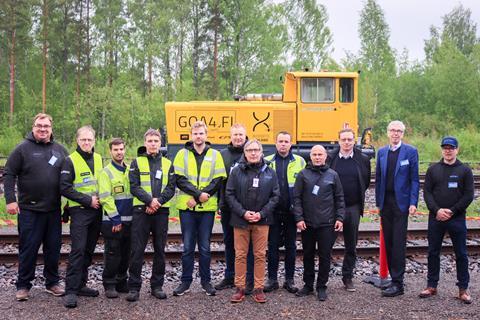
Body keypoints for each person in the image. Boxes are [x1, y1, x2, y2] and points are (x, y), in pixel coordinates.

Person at [4, 113, 68, 301]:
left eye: (46, 126)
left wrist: (70, 205)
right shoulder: (22, 149)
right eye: (39, 125)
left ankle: (52, 283)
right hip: (29, 210)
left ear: (51, 128)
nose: (42, 129)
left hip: (53, 210)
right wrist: (10, 199)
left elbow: (69, 178)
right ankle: (23, 286)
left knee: (53, 248)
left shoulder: (60, 150)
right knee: (28, 248)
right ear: (33, 127)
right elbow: (9, 174)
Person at [173, 121, 226, 296]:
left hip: (206, 209)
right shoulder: (182, 154)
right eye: (195, 134)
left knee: (204, 247)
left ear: (206, 135)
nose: (198, 136)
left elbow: (218, 179)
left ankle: (206, 282)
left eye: (201, 133)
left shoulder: (215, 154)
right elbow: (179, 178)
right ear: (191, 135)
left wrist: (199, 197)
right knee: (187, 247)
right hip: (187, 209)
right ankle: (185, 282)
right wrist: (198, 195)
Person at [419, 136, 474, 304]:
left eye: (451, 148)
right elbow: (427, 193)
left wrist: (452, 210)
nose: (448, 150)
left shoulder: (465, 170)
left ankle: (463, 289)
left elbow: (468, 195)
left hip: (456, 218)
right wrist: (437, 210)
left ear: (457, 149)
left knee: (461, 254)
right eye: (445, 148)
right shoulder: (433, 169)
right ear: (442, 149)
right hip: (436, 218)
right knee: (433, 252)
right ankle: (431, 285)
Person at [226, 139, 280, 303]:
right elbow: (229, 194)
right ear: (245, 153)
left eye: (256, 150)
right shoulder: (236, 171)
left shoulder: (270, 172)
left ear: (261, 152)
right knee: (240, 255)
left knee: (259, 255)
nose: (253, 153)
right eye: (250, 150)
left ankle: (258, 288)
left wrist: (261, 213)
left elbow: (275, 196)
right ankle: (240, 288)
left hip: (262, 221)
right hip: (240, 220)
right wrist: (243, 213)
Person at [126, 129, 175, 302]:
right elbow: (134, 186)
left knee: (160, 250)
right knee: (137, 249)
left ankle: (157, 286)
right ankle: (134, 287)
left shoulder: (168, 164)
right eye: (150, 141)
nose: (153, 143)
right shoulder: (136, 163)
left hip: (161, 212)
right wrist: (149, 201)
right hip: (141, 212)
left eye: (156, 141)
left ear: (160, 143)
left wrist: (157, 202)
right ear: (145, 143)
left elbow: (171, 188)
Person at [293, 145, 345, 301]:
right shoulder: (303, 175)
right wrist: (299, 218)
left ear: (325, 156)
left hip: (327, 224)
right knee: (307, 255)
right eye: (314, 154)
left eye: (320, 154)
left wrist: (340, 218)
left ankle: (321, 286)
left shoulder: (333, 175)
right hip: (307, 224)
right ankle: (308, 285)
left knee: (324, 256)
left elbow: (340, 198)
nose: (317, 157)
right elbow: (296, 199)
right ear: (310, 156)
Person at [375, 120, 419, 297]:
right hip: (386, 203)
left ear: (403, 133)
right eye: (392, 130)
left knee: (399, 243)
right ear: (387, 132)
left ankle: (398, 284)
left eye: (399, 131)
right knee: (389, 241)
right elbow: (378, 179)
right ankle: (393, 280)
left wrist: (413, 202)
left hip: (402, 204)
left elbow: (415, 179)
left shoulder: (410, 151)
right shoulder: (382, 153)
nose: (395, 133)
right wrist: (378, 203)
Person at [60, 125, 103, 308]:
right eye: (83, 139)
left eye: (90, 140)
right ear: (77, 140)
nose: (86, 142)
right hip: (80, 211)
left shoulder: (99, 158)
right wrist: (88, 200)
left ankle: (81, 285)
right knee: (78, 250)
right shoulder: (70, 160)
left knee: (88, 251)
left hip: (97, 211)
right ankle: (70, 291)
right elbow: (64, 187)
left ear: (94, 141)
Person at [327, 128, 371, 292]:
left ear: (354, 141)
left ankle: (348, 278)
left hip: (352, 207)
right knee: (327, 244)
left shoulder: (363, 159)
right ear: (338, 141)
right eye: (343, 139)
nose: (346, 142)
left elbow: (365, 182)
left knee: (351, 245)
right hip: (332, 208)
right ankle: (323, 279)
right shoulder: (330, 157)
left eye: (350, 139)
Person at [263, 131, 306, 294]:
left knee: (291, 247)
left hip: (291, 212)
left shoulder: (300, 161)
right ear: (275, 143)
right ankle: (272, 280)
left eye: (286, 141)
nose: (283, 144)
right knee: (272, 246)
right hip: (272, 212)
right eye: (280, 141)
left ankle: (289, 280)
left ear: (291, 143)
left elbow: (305, 185)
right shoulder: (267, 161)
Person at [215, 124, 255, 294]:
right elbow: (218, 182)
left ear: (246, 136)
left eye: (241, 134)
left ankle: (247, 277)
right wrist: (219, 202)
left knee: (248, 245)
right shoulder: (222, 155)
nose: (238, 137)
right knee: (229, 242)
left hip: (247, 208)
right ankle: (230, 275)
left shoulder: (252, 153)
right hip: (227, 207)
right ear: (230, 136)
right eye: (235, 134)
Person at [98, 138, 133, 299]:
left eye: (121, 149)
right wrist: (116, 219)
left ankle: (121, 281)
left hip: (130, 221)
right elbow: (105, 198)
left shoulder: (129, 170)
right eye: (115, 150)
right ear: (110, 152)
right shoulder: (106, 172)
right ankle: (109, 284)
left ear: (125, 150)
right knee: (113, 253)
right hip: (113, 222)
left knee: (126, 254)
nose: (119, 152)